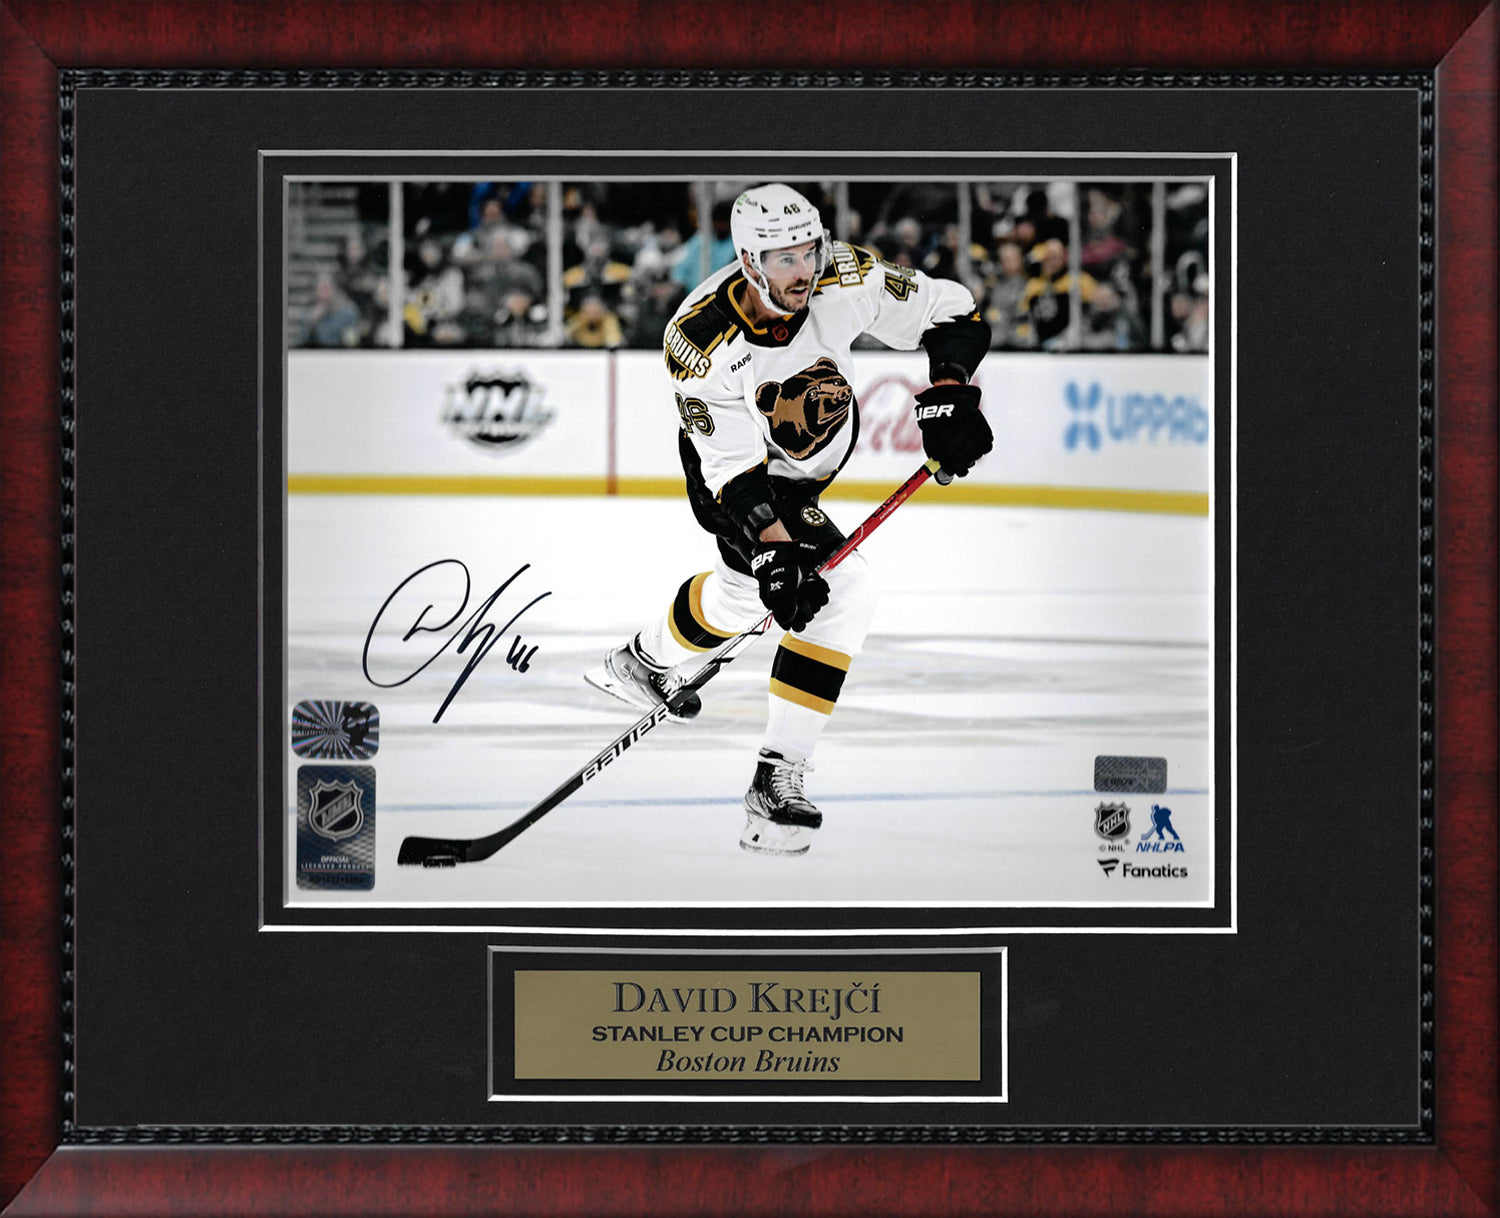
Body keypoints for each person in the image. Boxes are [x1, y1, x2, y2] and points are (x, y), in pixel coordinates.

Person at [587, 183, 993, 856]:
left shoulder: (844, 276)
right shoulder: (699, 339)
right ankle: (775, 781)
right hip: (737, 480)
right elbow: (733, 471)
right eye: (784, 259)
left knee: (739, 596)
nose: (803, 269)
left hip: (802, 473)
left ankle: (642, 660)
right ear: (749, 262)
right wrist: (777, 550)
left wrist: (950, 388)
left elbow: (949, 310)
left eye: (809, 250)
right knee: (841, 590)